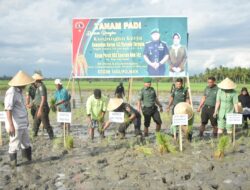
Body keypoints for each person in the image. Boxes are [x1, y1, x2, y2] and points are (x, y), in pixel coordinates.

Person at [4, 71, 35, 167]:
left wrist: (27, 120)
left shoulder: (20, 91)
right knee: (14, 144)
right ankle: (13, 164)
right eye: (24, 83)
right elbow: (8, 109)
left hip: (23, 123)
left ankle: (27, 162)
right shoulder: (11, 92)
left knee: (26, 143)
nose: (26, 85)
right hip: (15, 124)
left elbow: (22, 108)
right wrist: (11, 126)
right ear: (20, 83)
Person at [32, 73, 54, 139]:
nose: (33, 82)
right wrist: (31, 104)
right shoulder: (38, 87)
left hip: (42, 108)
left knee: (46, 124)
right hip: (39, 108)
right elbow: (37, 98)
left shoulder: (41, 87)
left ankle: (51, 137)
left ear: (36, 80)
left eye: (33, 81)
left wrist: (40, 110)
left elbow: (43, 99)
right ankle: (34, 136)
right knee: (36, 123)